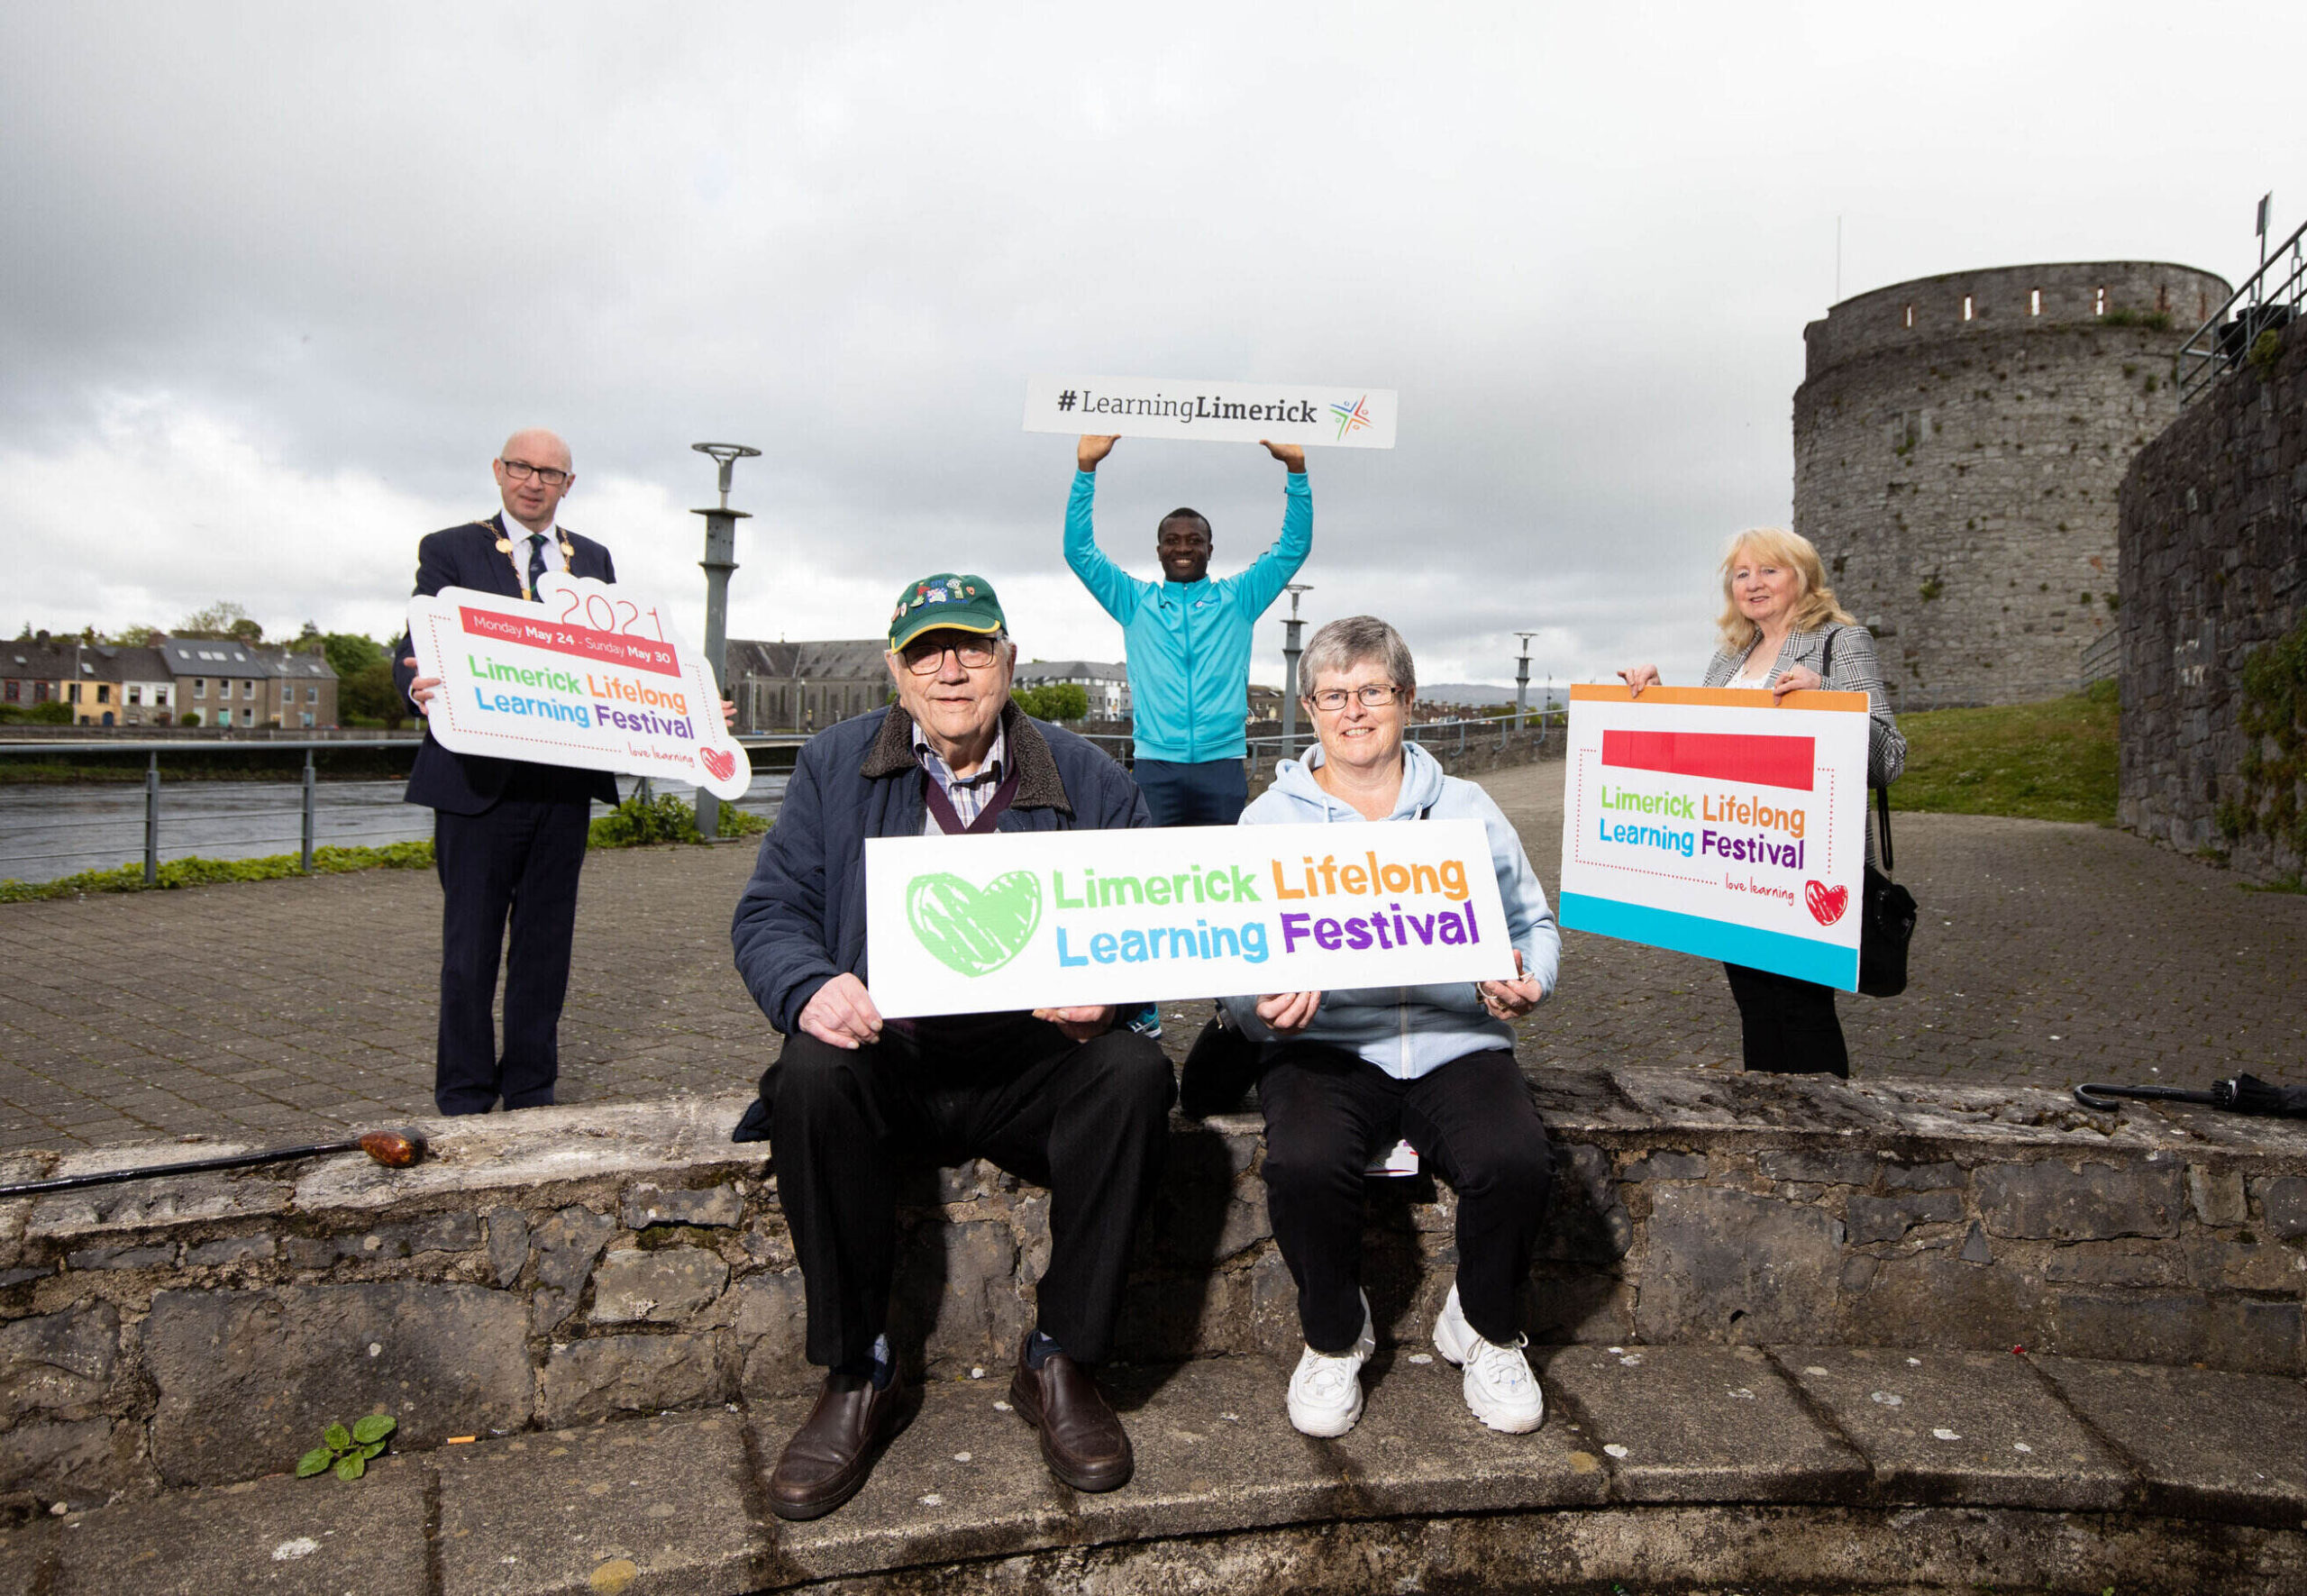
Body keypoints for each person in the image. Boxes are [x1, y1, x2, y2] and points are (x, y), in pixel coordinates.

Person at [729, 572, 1174, 1521]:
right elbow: (770, 912)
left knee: (1136, 1070)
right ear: (895, 670)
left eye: (972, 646)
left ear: (1009, 660)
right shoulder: (831, 764)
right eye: (927, 650)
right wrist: (811, 986)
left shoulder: (1091, 776)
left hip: (1028, 1070)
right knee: (808, 1072)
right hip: (892, 1062)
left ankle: (1060, 1357)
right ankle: (860, 1369)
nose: (951, 668)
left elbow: (1148, 916)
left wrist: (1114, 982)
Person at [1222, 616, 1561, 1439]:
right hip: (1328, 1046)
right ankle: (1334, 1336)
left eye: (1373, 690)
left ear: (1406, 700)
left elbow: (1536, 924)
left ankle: (1483, 1325)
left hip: (1456, 1040)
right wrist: (1258, 1004)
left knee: (1516, 1159)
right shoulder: (1269, 822)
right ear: (1310, 707)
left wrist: (1531, 980)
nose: (1355, 710)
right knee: (1301, 1163)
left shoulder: (1469, 809)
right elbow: (1229, 965)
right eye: (1334, 695)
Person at [1618, 526, 1906, 1078]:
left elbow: (1890, 758)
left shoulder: (1841, 642)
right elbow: (1698, 745)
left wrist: (1829, 701)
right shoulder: (1731, 656)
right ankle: (1766, 1134)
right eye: (1742, 573)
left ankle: (1825, 1136)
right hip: (1736, 860)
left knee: (1804, 1009)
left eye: (1769, 570)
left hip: (1807, 865)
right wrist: (1653, 698)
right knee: (1754, 1007)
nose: (1753, 584)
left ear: (1803, 578)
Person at [394, 429, 619, 1117]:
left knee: (545, 951)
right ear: (498, 471)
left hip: (560, 788)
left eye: (550, 472)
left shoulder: (596, 561)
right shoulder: (451, 549)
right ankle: (463, 1095)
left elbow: (614, 660)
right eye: (521, 467)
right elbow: (414, 644)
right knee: (470, 951)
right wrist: (416, 685)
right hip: (474, 786)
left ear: (567, 485)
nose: (533, 481)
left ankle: (530, 1091)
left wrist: (689, 704)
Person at [1064, 433, 1310, 825]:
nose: (1184, 548)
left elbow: (1293, 547)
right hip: (1155, 766)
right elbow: (1079, 552)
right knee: (1157, 875)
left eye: (1195, 540)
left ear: (1211, 549)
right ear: (1159, 549)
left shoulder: (1239, 598)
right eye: (1172, 540)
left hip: (1222, 764)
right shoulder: (1135, 602)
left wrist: (1296, 470)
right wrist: (1086, 469)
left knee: (1223, 876)